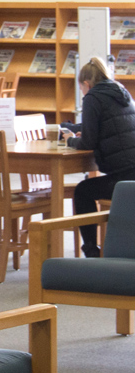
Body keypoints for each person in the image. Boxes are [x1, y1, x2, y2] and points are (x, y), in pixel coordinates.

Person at [64, 57, 135, 257]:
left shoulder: (93, 98)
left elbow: (88, 143)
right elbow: (107, 124)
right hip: (132, 172)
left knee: (83, 191)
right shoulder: (121, 92)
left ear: (86, 84)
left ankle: (91, 250)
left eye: (81, 89)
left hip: (124, 179)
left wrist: (70, 140)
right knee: (90, 185)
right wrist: (76, 130)